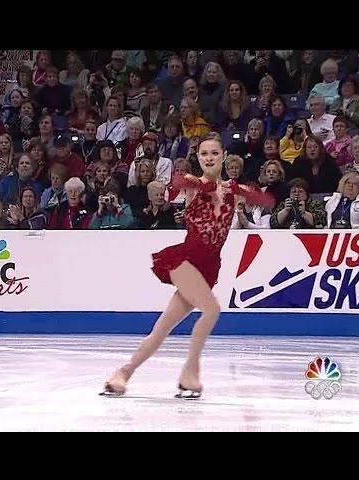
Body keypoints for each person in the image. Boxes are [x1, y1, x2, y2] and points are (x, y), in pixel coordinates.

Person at [101, 132, 274, 399]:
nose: (209, 158)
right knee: (212, 309)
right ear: (198, 157)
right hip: (186, 259)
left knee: (162, 329)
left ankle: (123, 373)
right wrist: (208, 187)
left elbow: (267, 201)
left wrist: (239, 189)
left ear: (223, 156)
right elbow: (178, 182)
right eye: (204, 153)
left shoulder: (232, 192)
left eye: (215, 153)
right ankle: (189, 374)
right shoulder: (193, 184)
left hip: (207, 268)